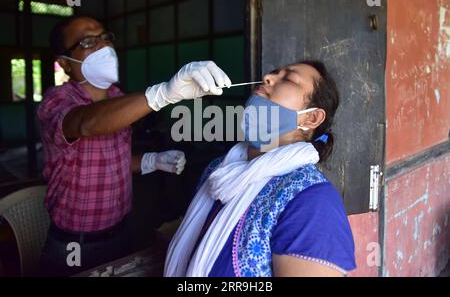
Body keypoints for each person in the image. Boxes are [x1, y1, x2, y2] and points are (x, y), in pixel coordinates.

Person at [37, 15, 231, 276]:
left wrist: (153, 160)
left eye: (105, 37)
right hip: (76, 244)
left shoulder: (118, 96)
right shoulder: (57, 99)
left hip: (123, 230)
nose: (103, 47)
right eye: (88, 42)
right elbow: (85, 124)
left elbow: (112, 160)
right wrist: (163, 94)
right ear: (64, 63)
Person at [164, 60, 356, 277]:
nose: (268, 77)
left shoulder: (314, 202)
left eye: (289, 79)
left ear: (311, 117)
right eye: (274, 73)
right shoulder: (218, 169)